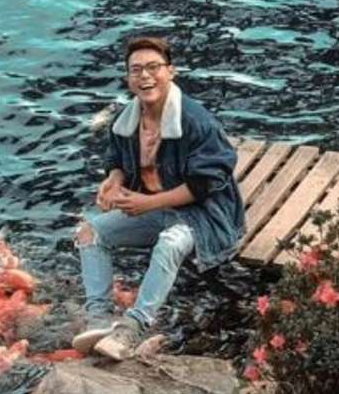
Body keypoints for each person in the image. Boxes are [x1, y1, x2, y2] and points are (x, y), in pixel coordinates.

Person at [72, 35, 244, 362]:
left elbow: (206, 183)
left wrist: (146, 203)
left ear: (171, 71)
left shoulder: (197, 121)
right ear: (128, 78)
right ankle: (98, 318)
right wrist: (114, 180)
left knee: (169, 243)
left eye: (154, 67)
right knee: (89, 232)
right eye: (136, 70)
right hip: (156, 207)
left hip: (204, 216)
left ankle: (133, 328)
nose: (145, 76)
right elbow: (117, 158)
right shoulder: (128, 119)